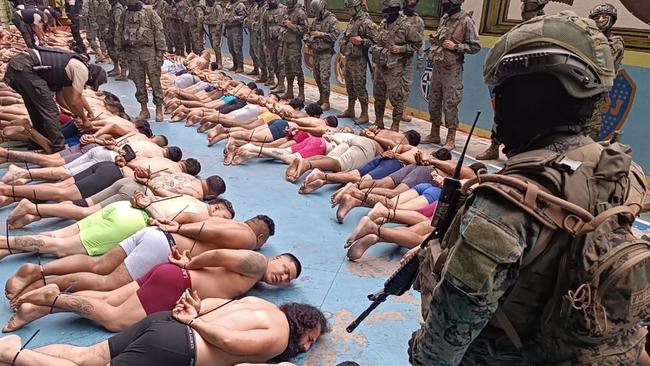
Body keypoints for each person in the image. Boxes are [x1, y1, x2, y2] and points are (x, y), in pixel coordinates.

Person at [409, 12, 648, 365]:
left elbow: (441, 350)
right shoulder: (625, 172)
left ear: (518, 99)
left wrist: (418, 347)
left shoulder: (502, 208)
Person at [6, 246, 300, 333]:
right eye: (284, 269)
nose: (282, 277)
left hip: (173, 277)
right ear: (276, 259)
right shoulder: (257, 262)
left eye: (287, 279)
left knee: (108, 298)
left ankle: (37, 308)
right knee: (114, 320)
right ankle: (54, 297)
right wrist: (191, 261)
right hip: (178, 282)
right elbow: (219, 256)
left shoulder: (253, 278)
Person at [0, 297, 326, 365]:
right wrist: (196, 322)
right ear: (304, 322)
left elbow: (209, 302)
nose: (307, 346)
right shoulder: (278, 336)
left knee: (89, 356)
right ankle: (12, 355)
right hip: (180, 345)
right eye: (310, 338)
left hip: (165, 322)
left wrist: (192, 315)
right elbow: (229, 341)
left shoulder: (261, 303)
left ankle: (13, 356)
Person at [0, 191, 228, 260]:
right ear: (216, 207)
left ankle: (6, 250)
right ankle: (5, 242)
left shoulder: (190, 197)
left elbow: (155, 195)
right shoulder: (200, 213)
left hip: (123, 208)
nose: (224, 223)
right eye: (224, 217)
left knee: (57, 235)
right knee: (60, 247)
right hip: (131, 222)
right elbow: (167, 220)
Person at [6, 173, 227, 228]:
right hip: (138, 193)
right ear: (213, 199)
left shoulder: (189, 178)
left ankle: (34, 213)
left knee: (85, 205)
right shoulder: (196, 197)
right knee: (84, 213)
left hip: (129, 181)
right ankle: (32, 207)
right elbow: (162, 195)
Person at [3, 48, 107, 152]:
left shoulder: (71, 70)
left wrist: (73, 113)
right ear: (92, 77)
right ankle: (58, 146)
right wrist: (84, 119)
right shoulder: (82, 71)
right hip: (25, 67)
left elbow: (61, 99)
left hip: (20, 66)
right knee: (50, 110)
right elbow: (76, 100)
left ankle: (37, 140)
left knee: (36, 107)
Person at [421, 0, 480, 149]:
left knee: (450, 102)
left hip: (453, 69)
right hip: (438, 67)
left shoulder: (466, 21)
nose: (444, 3)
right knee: (434, 100)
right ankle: (434, 133)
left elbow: (475, 46)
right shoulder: (444, 18)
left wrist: (456, 46)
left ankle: (450, 138)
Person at [371, 0, 423, 131]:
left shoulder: (406, 26)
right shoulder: (384, 23)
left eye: (387, 12)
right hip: (381, 65)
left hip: (395, 68)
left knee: (397, 97)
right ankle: (379, 121)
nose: (385, 15)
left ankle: (395, 124)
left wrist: (401, 49)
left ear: (394, 11)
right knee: (378, 95)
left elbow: (417, 44)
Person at [116, 0, 166, 121]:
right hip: (133, 54)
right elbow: (119, 33)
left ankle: (159, 108)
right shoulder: (125, 14)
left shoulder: (150, 13)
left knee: (155, 83)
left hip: (149, 54)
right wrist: (121, 54)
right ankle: (144, 109)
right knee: (139, 83)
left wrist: (160, 54)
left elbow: (159, 33)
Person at [583, 3, 625, 139]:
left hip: (595, 94)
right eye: (597, 17)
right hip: (578, 91)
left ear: (612, 20)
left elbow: (604, 64)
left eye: (604, 17)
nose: (600, 20)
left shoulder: (615, 43)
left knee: (588, 134)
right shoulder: (586, 39)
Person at [337, 0, 377, 125]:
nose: (348, 11)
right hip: (349, 58)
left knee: (360, 86)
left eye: (350, 9)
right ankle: (350, 109)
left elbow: (377, 41)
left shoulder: (367, 22)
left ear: (357, 7)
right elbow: (346, 36)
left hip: (359, 60)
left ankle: (364, 114)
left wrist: (362, 41)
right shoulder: (352, 21)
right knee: (349, 85)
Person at [305, 0, 339, 110]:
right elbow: (309, 32)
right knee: (317, 76)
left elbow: (334, 36)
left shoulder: (332, 20)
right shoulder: (315, 20)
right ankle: (321, 97)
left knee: (324, 77)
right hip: (316, 52)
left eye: (317, 11)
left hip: (325, 53)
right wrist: (308, 39)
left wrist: (321, 34)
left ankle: (326, 102)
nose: (316, 14)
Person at [280, 0, 307, 100]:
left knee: (297, 69)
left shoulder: (300, 12)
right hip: (286, 43)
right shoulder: (286, 11)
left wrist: (292, 26)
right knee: (287, 69)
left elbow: (305, 29)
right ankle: (289, 91)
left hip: (294, 45)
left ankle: (301, 93)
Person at [261, 0, 287, 93]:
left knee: (281, 63)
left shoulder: (284, 9)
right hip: (270, 42)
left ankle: (281, 84)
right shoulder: (266, 11)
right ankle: (278, 82)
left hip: (281, 42)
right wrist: (264, 43)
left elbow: (287, 25)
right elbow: (263, 27)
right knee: (273, 63)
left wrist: (282, 38)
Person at [223, 0, 247, 73]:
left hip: (236, 28)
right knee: (231, 48)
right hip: (228, 28)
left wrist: (234, 18)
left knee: (237, 48)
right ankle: (235, 64)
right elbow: (225, 17)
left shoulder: (240, 5)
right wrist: (224, 29)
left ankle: (240, 66)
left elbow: (244, 17)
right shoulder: (228, 4)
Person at [106, 0, 128, 80]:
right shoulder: (113, 7)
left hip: (118, 35)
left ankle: (123, 74)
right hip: (113, 33)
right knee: (113, 53)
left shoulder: (118, 8)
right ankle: (116, 69)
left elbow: (118, 23)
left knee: (120, 54)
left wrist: (116, 36)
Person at [250, 0, 268, 82]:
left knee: (264, 56)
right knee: (257, 54)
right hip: (256, 32)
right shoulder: (256, 6)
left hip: (264, 34)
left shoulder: (266, 6)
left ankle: (267, 76)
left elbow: (264, 22)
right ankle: (262, 74)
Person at [205, 0, 224, 68]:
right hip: (210, 27)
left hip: (215, 28)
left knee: (216, 45)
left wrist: (217, 29)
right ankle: (217, 61)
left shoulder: (218, 7)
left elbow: (220, 19)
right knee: (213, 46)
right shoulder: (209, 7)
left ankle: (219, 62)